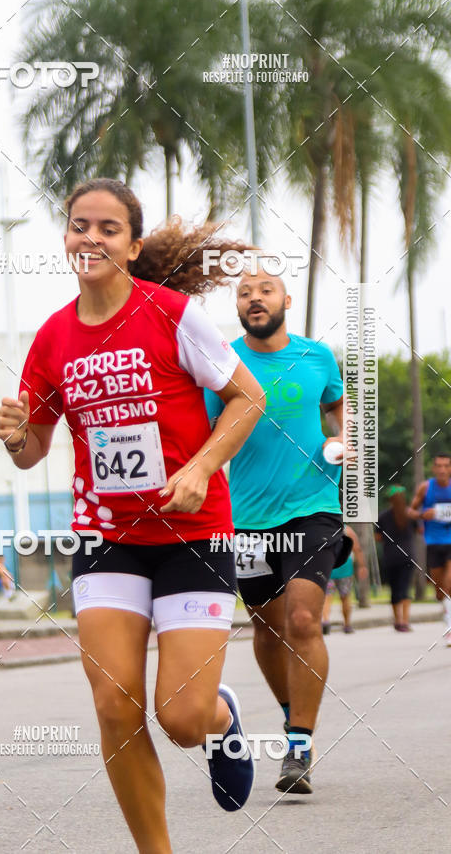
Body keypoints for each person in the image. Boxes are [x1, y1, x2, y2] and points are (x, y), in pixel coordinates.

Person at [0, 178, 265, 852]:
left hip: (192, 535)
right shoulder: (52, 339)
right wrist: (15, 435)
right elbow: (32, 452)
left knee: (181, 717)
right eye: (79, 225)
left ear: (133, 245)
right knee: (115, 706)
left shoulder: (172, 315)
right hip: (106, 536)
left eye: (108, 228)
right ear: (66, 238)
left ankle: (221, 717)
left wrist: (199, 468)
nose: (91, 237)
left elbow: (248, 398)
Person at [205, 267, 350, 795]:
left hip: (313, 506)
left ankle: (300, 745)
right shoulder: (223, 362)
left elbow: (337, 404)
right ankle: (292, 715)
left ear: (285, 301)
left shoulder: (317, 357)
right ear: (238, 307)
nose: (255, 298)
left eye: (265, 290)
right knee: (267, 630)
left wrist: (342, 439)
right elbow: (208, 431)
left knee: (303, 619)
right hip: (247, 517)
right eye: (244, 293)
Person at [410, 453, 451, 641]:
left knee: (449, 583)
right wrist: (422, 515)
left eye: (446, 466)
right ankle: (446, 614)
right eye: (439, 466)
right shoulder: (426, 488)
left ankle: (449, 628)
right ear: (434, 468)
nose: (442, 469)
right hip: (433, 542)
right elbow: (410, 511)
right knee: (439, 591)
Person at [375, 486, 417, 632]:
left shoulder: (383, 516)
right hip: (407, 556)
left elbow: (378, 537)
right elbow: (419, 530)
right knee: (405, 587)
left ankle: (397, 620)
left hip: (390, 556)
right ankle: (405, 621)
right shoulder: (410, 515)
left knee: (394, 589)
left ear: (390, 499)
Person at [322, 525, 368, 634]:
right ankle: (347, 625)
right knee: (345, 597)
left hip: (328, 568)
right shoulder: (347, 530)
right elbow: (357, 549)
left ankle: (325, 621)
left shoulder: (325, 528)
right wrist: (362, 566)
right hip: (345, 569)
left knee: (327, 596)